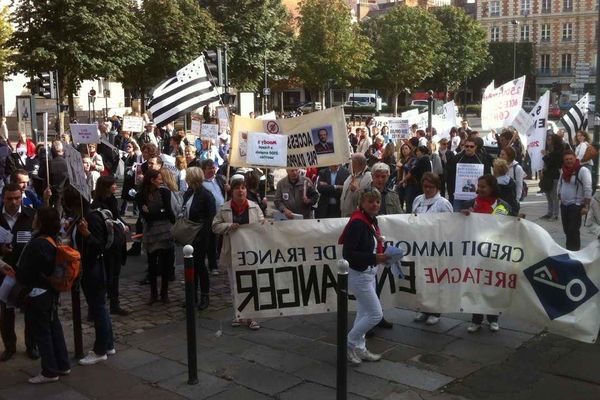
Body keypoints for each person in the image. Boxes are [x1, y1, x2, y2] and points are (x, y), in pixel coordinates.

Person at [11, 207, 70, 383]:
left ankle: (50, 371)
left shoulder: (38, 243)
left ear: (41, 222)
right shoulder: (53, 240)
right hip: (50, 292)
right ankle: (63, 364)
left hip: (38, 293)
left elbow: (25, 272)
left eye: (36, 217)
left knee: (42, 332)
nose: (34, 219)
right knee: (54, 328)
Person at [339, 189, 389, 365]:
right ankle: (349, 343)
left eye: (377, 201)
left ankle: (360, 348)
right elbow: (349, 253)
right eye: (370, 201)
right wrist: (375, 258)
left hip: (367, 272)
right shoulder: (358, 223)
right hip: (359, 274)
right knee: (375, 314)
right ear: (362, 203)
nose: (374, 204)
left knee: (363, 313)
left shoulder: (369, 220)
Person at [461, 175, 512, 333]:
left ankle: (493, 318)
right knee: (476, 285)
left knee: (492, 286)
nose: (479, 189)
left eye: (483, 186)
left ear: (491, 188)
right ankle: (476, 319)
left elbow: (511, 223)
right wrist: (463, 215)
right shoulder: (471, 204)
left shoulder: (503, 205)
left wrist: (518, 219)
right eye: (479, 186)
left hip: (494, 253)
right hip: (476, 252)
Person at [212, 178, 264, 330]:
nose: (241, 191)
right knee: (235, 285)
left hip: (251, 251)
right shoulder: (224, 208)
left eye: (243, 188)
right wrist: (228, 226)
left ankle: (252, 317)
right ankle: (239, 314)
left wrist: (263, 225)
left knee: (252, 283)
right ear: (232, 191)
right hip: (232, 252)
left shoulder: (254, 207)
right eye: (237, 188)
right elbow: (215, 226)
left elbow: (262, 223)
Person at [0, 183, 37, 361]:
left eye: (17, 198)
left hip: (27, 272)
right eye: (9, 198)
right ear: (3, 198)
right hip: (4, 272)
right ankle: (9, 346)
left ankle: (32, 345)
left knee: (30, 311)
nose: (14, 202)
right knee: (6, 313)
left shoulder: (31, 216)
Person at [411, 173, 452, 325]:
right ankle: (424, 308)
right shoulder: (418, 200)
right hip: (420, 246)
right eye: (425, 186)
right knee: (422, 279)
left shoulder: (443, 203)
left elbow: (450, 226)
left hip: (436, 247)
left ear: (437, 187)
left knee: (435, 278)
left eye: (431, 187)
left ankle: (436, 311)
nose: (427, 189)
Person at [136, 169, 176, 304]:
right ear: (152, 180)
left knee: (165, 264)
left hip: (165, 231)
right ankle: (153, 294)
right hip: (151, 231)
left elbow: (168, 212)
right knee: (152, 264)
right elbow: (146, 216)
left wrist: (154, 211)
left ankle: (164, 293)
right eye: (159, 178)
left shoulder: (165, 192)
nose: (161, 181)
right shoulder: (141, 195)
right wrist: (158, 212)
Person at [91, 176, 129, 316]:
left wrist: (122, 224)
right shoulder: (98, 204)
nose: (115, 186)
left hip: (116, 242)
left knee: (114, 274)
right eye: (113, 184)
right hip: (107, 244)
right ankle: (99, 307)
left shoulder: (112, 199)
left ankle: (114, 303)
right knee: (106, 275)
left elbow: (116, 216)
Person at [183, 167, 216, 310]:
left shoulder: (206, 195)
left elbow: (211, 218)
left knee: (200, 266)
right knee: (190, 267)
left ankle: (204, 295)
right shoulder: (189, 193)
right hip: (189, 234)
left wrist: (202, 235)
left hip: (201, 236)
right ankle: (192, 296)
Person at [558, 150, 592, 251]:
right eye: (566, 159)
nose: (568, 161)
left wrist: (586, 206)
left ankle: (574, 252)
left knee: (573, 231)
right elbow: (560, 183)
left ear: (575, 158)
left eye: (570, 159)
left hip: (576, 205)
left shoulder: (583, 170)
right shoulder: (563, 170)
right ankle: (569, 250)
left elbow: (588, 188)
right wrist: (559, 194)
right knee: (567, 230)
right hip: (564, 205)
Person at [447, 137, 490, 211]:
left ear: (475, 147)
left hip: (476, 196)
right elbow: (450, 176)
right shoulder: (456, 158)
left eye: (471, 146)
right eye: (466, 146)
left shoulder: (482, 159)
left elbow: (487, 176)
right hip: (458, 196)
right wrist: (451, 192)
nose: (469, 148)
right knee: (457, 216)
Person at [202, 159, 226, 275]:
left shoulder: (219, 180)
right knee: (211, 241)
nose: (212, 170)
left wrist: (228, 189)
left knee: (222, 240)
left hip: (223, 214)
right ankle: (213, 266)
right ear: (204, 170)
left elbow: (224, 193)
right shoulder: (201, 183)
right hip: (210, 216)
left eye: (213, 168)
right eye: (209, 168)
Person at [540, 134, 563, 220]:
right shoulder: (551, 149)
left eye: (550, 139)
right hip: (547, 174)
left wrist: (545, 155)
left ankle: (555, 214)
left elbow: (551, 162)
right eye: (548, 139)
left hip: (553, 175)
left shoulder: (557, 151)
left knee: (553, 195)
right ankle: (549, 213)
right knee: (548, 195)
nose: (548, 141)